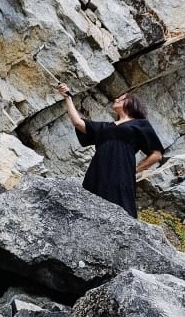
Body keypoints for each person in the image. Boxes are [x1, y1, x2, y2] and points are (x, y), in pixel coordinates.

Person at [58, 83, 164, 218]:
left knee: (121, 205)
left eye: (121, 98)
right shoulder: (106, 127)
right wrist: (67, 97)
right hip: (98, 169)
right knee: (90, 201)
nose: (116, 100)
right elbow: (78, 122)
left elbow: (156, 154)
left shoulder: (141, 124)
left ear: (131, 104)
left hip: (121, 171)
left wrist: (134, 170)